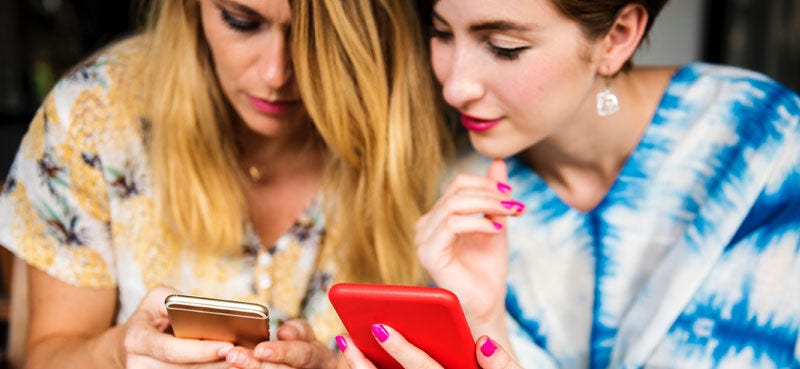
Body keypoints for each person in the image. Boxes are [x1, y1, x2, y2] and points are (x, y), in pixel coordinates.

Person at [339, 0, 800, 368]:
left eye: (503, 46)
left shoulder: (764, 144)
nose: (455, 88)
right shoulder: (453, 196)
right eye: (441, 33)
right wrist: (484, 322)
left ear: (617, 38)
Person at [0, 0, 446, 367]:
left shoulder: (426, 133)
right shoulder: (97, 114)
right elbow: (47, 355)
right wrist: (120, 353)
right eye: (241, 21)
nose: (276, 74)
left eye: (314, 37)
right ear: (190, 9)